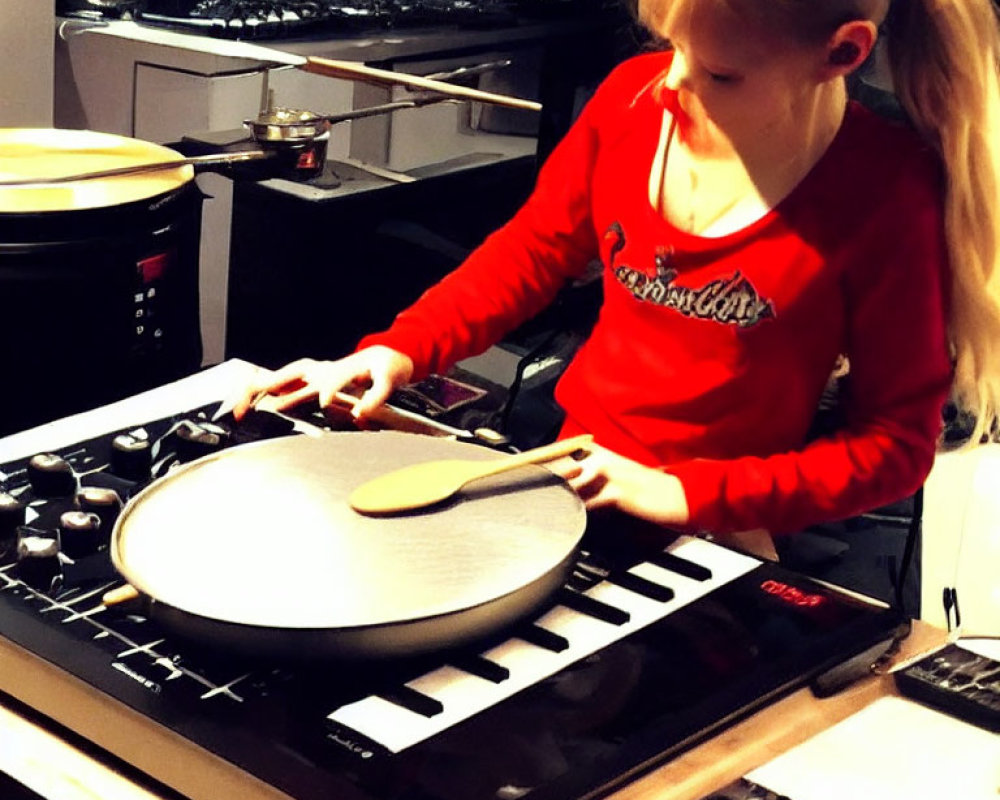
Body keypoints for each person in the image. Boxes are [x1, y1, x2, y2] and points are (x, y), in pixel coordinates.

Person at [236, 0, 1000, 543]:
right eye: (670, 46)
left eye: (720, 73)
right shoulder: (634, 101)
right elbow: (531, 252)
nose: (672, 83)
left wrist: (682, 493)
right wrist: (395, 351)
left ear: (842, 53)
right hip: (563, 480)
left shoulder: (885, 194)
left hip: (715, 532)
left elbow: (894, 447)